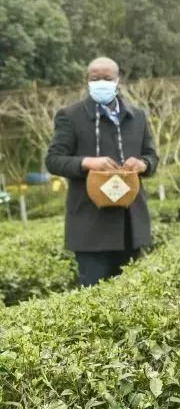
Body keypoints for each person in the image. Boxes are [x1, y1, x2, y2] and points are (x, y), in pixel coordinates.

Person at [45, 57, 159, 286]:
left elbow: (151, 157)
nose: (101, 83)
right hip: (90, 227)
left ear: (118, 80)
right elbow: (53, 160)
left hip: (130, 224)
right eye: (95, 78)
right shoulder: (70, 116)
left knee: (131, 295)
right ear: (87, 80)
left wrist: (143, 164)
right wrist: (87, 162)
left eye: (107, 78)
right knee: (94, 296)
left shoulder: (137, 116)